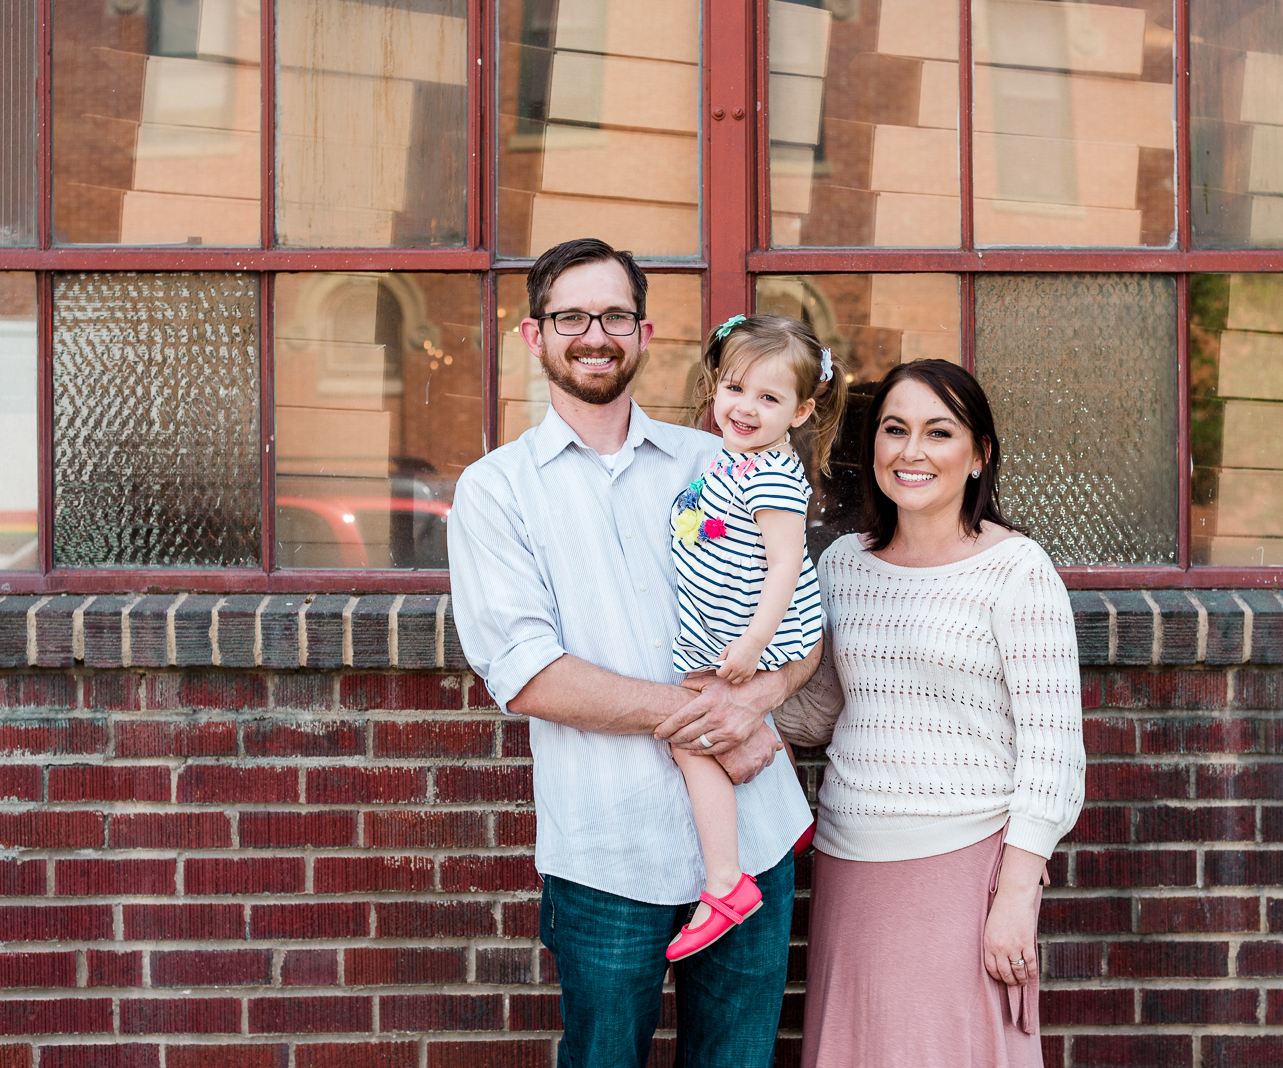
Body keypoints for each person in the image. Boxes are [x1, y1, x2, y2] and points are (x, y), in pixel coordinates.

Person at [447, 238, 817, 1068]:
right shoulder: (497, 490)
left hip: (753, 844)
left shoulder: (720, 459)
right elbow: (529, 675)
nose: (595, 333)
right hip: (606, 852)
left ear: (645, 333)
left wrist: (757, 701)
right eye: (570, 315)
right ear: (532, 336)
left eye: (615, 314)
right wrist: (714, 715)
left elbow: (801, 622)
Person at [773, 359, 1086, 1068]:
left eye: (938, 432)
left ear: (979, 455)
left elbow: (1055, 754)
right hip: (852, 861)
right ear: (872, 448)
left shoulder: (1016, 570)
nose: (912, 451)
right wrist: (726, 706)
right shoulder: (843, 564)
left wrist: (1015, 897)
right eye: (895, 429)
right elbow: (822, 711)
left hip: (966, 863)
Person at [663, 314, 846, 961]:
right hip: (728, 626)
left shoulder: (771, 476)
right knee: (711, 729)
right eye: (735, 388)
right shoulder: (731, 459)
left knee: (692, 737)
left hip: (757, 635)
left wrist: (751, 643)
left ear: (800, 412)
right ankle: (791, 819)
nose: (744, 407)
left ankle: (725, 884)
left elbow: (785, 565)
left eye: (768, 399)